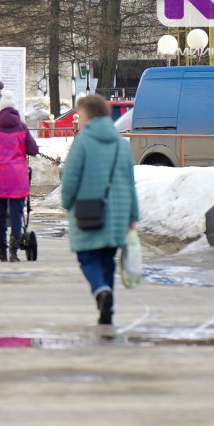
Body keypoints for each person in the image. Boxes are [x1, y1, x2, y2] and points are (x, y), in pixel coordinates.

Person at [60, 94, 139, 325]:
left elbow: (70, 178)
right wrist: (132, 216)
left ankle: (100, 290)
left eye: (80, 116)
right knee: (107, 260)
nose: (79, 120)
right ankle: (108, 308)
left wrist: (66, 202)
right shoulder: (121, 144)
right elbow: (129, 181)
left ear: (89, 116)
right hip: (118, 214)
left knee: (87, 257)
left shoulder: (82, 142)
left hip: (88, 210)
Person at [0, 90, 39, 262]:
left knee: (0, 213)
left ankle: (2, 249)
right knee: (18, 213)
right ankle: (14, 250)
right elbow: (33, 150)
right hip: (18, 177)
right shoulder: (22, 127)